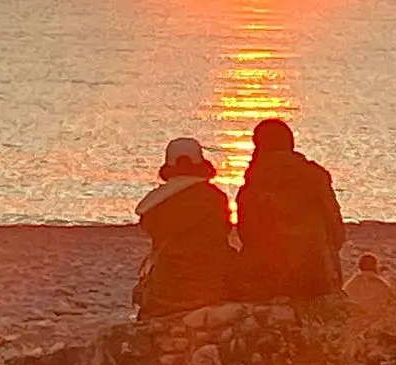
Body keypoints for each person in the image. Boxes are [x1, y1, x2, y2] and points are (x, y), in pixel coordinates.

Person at [233, 119, 346, 301]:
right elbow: (337, 233)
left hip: (267, 280)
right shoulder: (315, 177)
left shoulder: (254, 183)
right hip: (315, 279)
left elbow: (246, 234)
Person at [133, 138, 235, 321]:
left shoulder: (157, 205)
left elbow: (150, 227)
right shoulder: (215, 198)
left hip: (166, 292)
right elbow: (223, 231)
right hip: (211, 287)